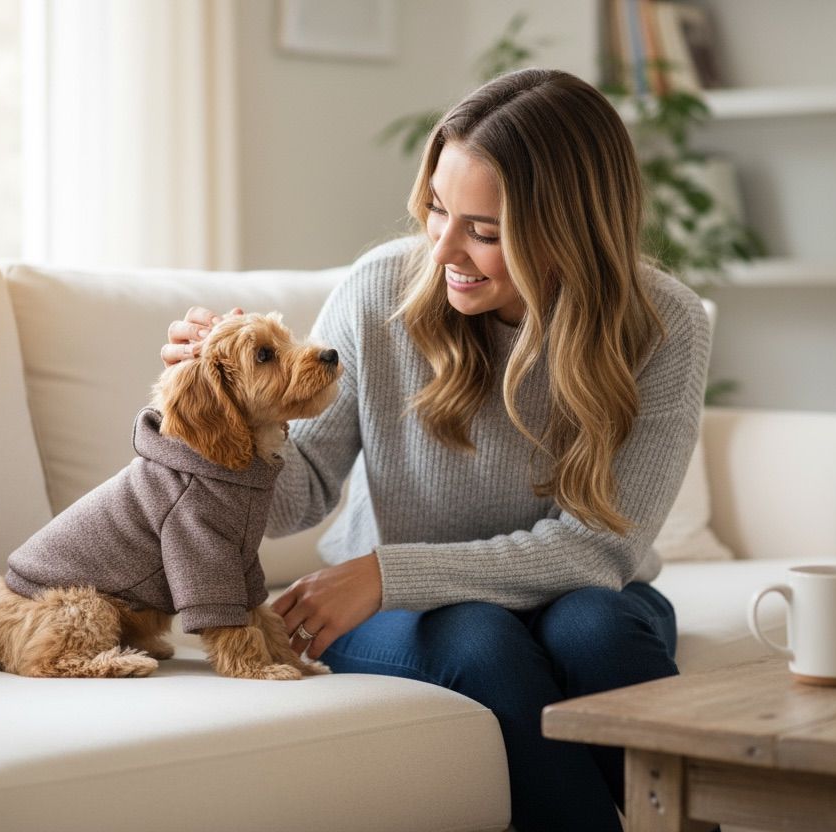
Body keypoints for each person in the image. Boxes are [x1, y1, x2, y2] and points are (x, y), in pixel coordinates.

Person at [162, 68, 710, 831]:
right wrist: (214, 416)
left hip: (550, 591)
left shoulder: (665, 326)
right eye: (436, 210)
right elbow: (299, 490)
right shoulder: (378, 291)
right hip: (401, 614)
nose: (444, 248)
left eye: (483, 231)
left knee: (597, 627)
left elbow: (598, 552)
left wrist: (388, 573)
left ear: (571, 231)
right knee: (483, 639)